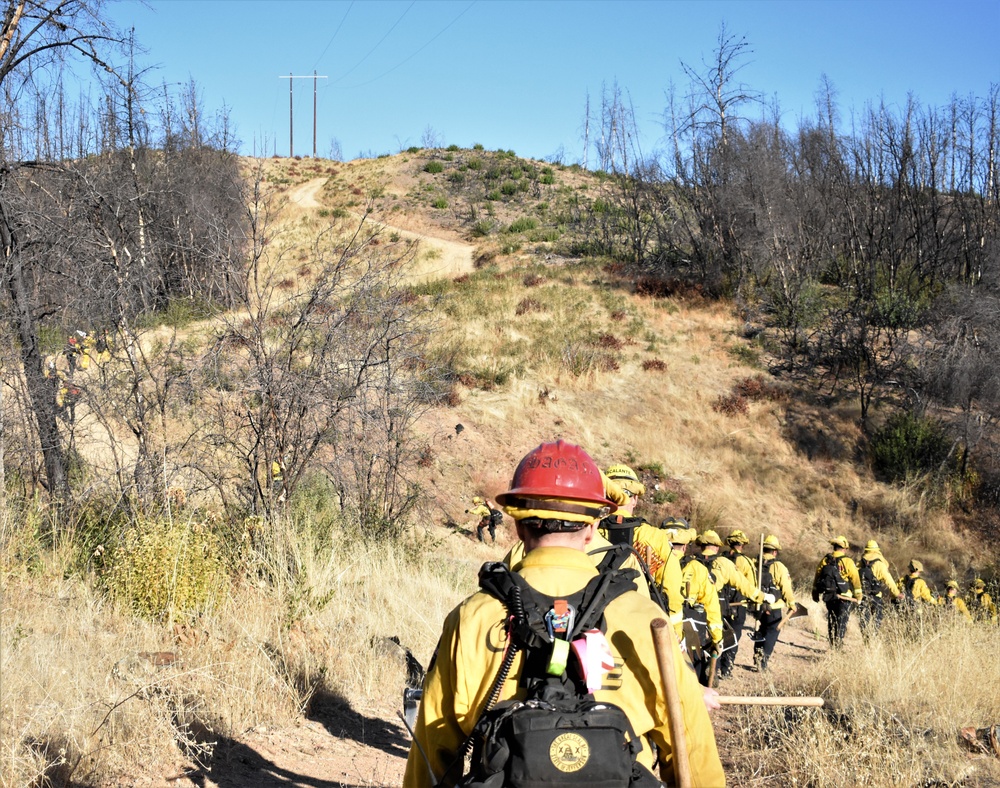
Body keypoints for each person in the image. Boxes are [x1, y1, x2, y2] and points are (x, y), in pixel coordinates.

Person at [403, 440, 726, 787]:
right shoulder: (644, 618)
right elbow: (692, 751)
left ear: (518, 527)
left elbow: (431, 752)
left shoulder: (472, 617)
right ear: (591, 529)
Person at [715, 529, 766, 678]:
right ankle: (727, 670)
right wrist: (757, 604)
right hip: (739, 605)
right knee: (734, 637)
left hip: (720, 604)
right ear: (742, 544)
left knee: (718, 635)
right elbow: (751, 585)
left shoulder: (720, 559)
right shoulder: (746, 561)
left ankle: (715, 666)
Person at [680, 532, 724, 686]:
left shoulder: (659, 563)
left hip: (662, 621)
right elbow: (711, 604)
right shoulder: (701, 568)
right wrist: (717, 637)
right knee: (695, 663)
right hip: (693, 621)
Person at [751, 535, 796, 671]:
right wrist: (791, 603)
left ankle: (757, 657)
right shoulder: (779, 567)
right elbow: (786, 588)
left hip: (757, 605)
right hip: (773, 607)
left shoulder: (754, 563)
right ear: (775, 551)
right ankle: (763, 663)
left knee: (760, 631)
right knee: (771, 633)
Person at [812, 535, 862, 649]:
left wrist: (815, 593)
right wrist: (859, 596)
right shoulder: (848, 562)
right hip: (844, 598)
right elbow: (855, 579)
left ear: (834, 547)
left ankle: (832, 644)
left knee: (832, 621)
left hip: (829, 597)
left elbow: (817, 577)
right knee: (841, 622)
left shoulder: (825, 560)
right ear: (844, 548)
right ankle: (837, 647)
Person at [857, 539, 902, 640]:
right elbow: (889, 580)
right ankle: (873, 636)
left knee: (864, 619)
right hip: (876, 597)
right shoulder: (880, 565)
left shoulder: (860, 564)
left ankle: (866, 638)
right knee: (877, 618)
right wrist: (897, 593)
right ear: (877, 551)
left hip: (862, 596)